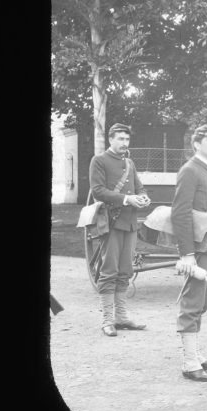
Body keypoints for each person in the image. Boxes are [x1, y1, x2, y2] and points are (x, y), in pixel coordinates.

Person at [170, 124, 207, 383]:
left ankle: (195, 353)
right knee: (192, 302)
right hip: (196, 247)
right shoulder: (190, 170)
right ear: (196, 144)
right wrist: (187, 254)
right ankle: (190, 362)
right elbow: (180, 213)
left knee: (201, 302)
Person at [89, 123, 150, 337]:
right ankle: (107, 319)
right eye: (120, 139)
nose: (125, 143)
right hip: (112, 222)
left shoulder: (129, 162)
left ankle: (122, 317)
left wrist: (143, 196)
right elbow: (97, 191)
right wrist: (126, 199)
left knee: (126, 270)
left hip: (130, 222)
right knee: (109, 271)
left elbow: (139, 185)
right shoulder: (99, 161)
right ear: (110, 140)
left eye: (127, 139)